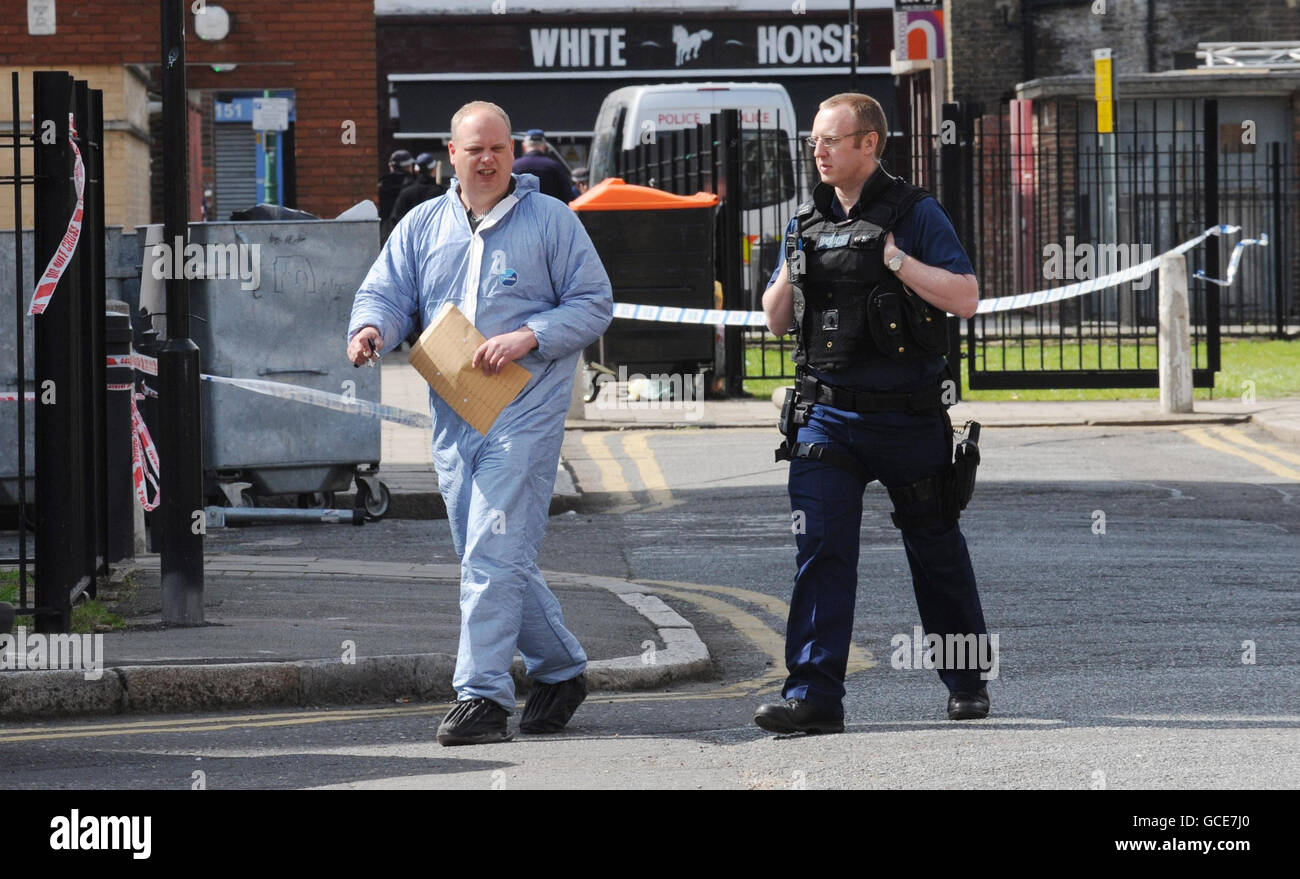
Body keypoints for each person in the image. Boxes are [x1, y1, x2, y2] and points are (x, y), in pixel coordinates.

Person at [346, 101, 613, 746]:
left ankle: (482, 697)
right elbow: (386, 290)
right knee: (487, 554)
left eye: (498, 148)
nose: (488, 159)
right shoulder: (422, 224)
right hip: (453, 414)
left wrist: (530, 335)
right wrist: (371, 328)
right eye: (475, 149)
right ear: (452, 154)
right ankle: (560, 670)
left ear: (512, 151)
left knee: (492, 554)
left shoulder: (551, 220)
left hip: (525, 411)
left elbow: (594, 303)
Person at [756, 92, 991, 735]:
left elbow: (965, 297)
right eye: (813, 142)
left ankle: (966, 680)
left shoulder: (915, 213)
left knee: (935, 547)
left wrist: (894, 260)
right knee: (821, 551)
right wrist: (790, 266)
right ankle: (813, 697)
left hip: (908, 417)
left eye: (831, 140)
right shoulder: (804, 215)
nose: (819, 151)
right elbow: (776, 321)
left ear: (869, 144)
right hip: (826, 416)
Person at [512, 128, 574, 203]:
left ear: (524, 146)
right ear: (545, 146)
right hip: (550, 213)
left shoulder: (514, 166)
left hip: (520, 213)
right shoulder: (555, 167)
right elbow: (567, 196)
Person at [389, 151, 445, 225]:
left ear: (416, 170)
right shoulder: (441, 192)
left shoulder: (406, 192)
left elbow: (395, 218)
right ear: (433, 170)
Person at [378, 149, 415, 243]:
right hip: (410, 231)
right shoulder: (415, 185)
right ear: (409, 166)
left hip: (387, 231)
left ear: (391, 167)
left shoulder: (381, 185)